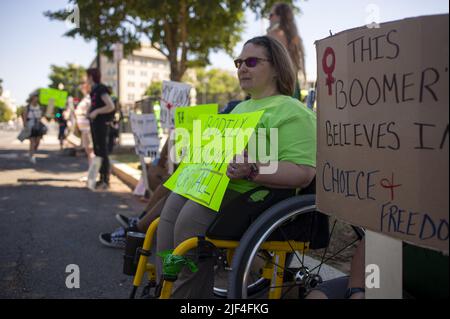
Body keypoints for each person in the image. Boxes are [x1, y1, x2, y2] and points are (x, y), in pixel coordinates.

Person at [152, 35, 316, 298]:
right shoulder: (240, 109)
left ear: (276, 67)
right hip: (219, 185)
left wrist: (253, 169)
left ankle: (187, 297)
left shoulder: (294, 112)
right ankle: (166, 287)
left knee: (187, 224)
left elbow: (304, 173)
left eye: (251, 61)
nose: (242, 68)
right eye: (238, 62)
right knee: (168, 214)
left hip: (258, 194)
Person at [267, 2, 306, 100]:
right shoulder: (296, 39)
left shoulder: (273, 35)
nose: (269, 18)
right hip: (293, 86)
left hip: (277, 87)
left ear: (280, 17)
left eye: (271, 15)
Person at [86, 68, 116, 189]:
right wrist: (90, 111)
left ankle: (106, 179)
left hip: (102, 125)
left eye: (87, 76)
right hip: (95, 125)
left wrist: (97, 112)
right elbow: (95, 105)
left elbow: (110, 106)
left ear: (91, 77)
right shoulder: (94, 90)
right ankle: (100, 178)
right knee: (98, 151)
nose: (86, 79)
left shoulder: (101, 89)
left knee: (103, 151)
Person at [22, 92, 46, 164]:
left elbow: (41, 116)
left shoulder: (39, 107)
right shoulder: (28, 107)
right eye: (35, 97)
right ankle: (32, 156)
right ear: (32, 98)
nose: (36, 98)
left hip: (38, 126)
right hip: (30, 125)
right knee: (32, 142)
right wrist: (25, 126)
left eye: (37, 97)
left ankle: (32, 151)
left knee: (38, 141)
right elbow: (25, 117)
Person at [75, 76, 94, 164]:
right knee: (89, 151)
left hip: (88, 128)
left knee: (91, 151)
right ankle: (91, 174)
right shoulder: (86, 97)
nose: (81, 86)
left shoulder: (90, 97)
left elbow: (90, 111)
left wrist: (81, 113)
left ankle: (92, 175)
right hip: (84, 128)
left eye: (83, 84)